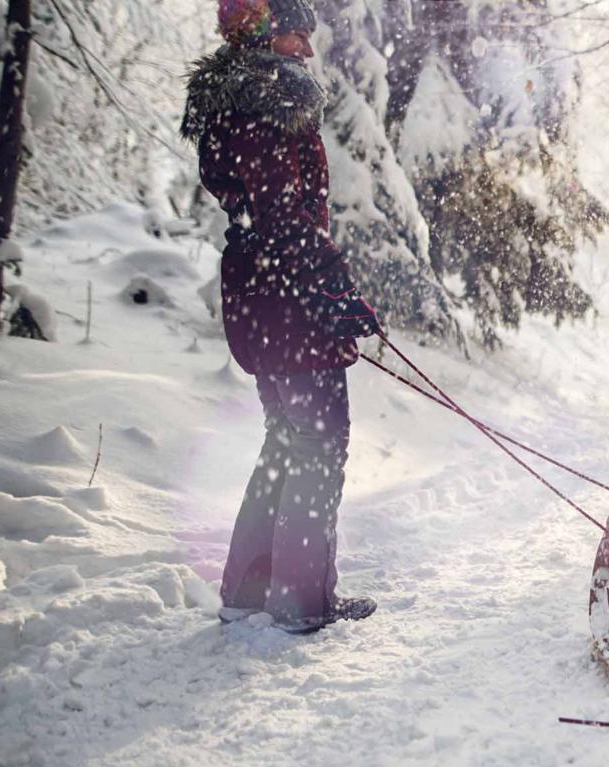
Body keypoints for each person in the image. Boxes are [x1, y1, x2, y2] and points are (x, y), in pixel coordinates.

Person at [181, 0, 382, 634]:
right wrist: (335, 291)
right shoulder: (266, 106)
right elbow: (284, 216)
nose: (309, 50)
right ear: (268, 33)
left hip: (261, 292)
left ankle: (249, 592)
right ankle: (300, 601)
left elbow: (268, 214)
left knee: (286, 438)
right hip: (286, 296)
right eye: (299, 35)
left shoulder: (235, 103)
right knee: (319, 440)